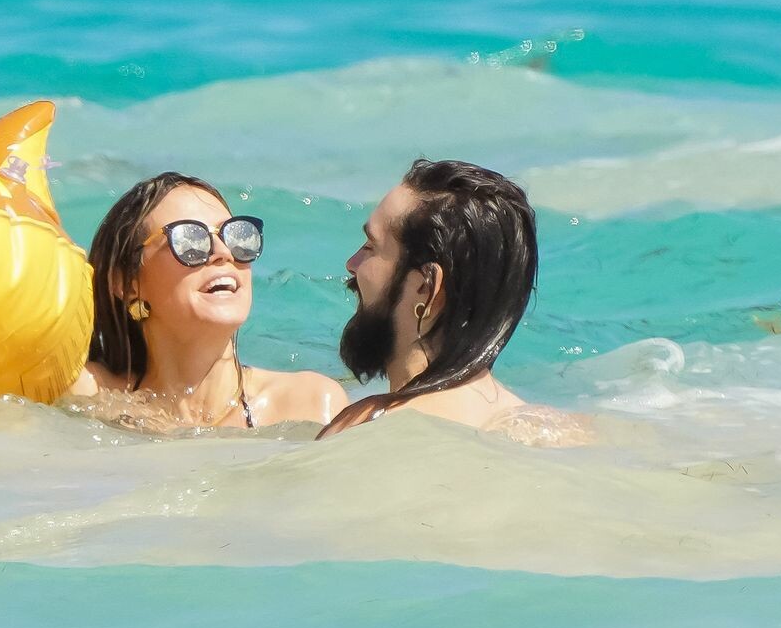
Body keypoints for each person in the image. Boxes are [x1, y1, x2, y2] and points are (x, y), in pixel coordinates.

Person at [67, 172, 348, 429]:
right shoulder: (91, 397)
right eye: (190, 240)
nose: (223, 252)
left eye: (238, 236)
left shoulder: (310, 405)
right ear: (127, 283)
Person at [318, 158, 537, 438]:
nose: (352, 263)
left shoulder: (365, 427)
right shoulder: (540, 429)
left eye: (370, 246)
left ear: (426, 287)